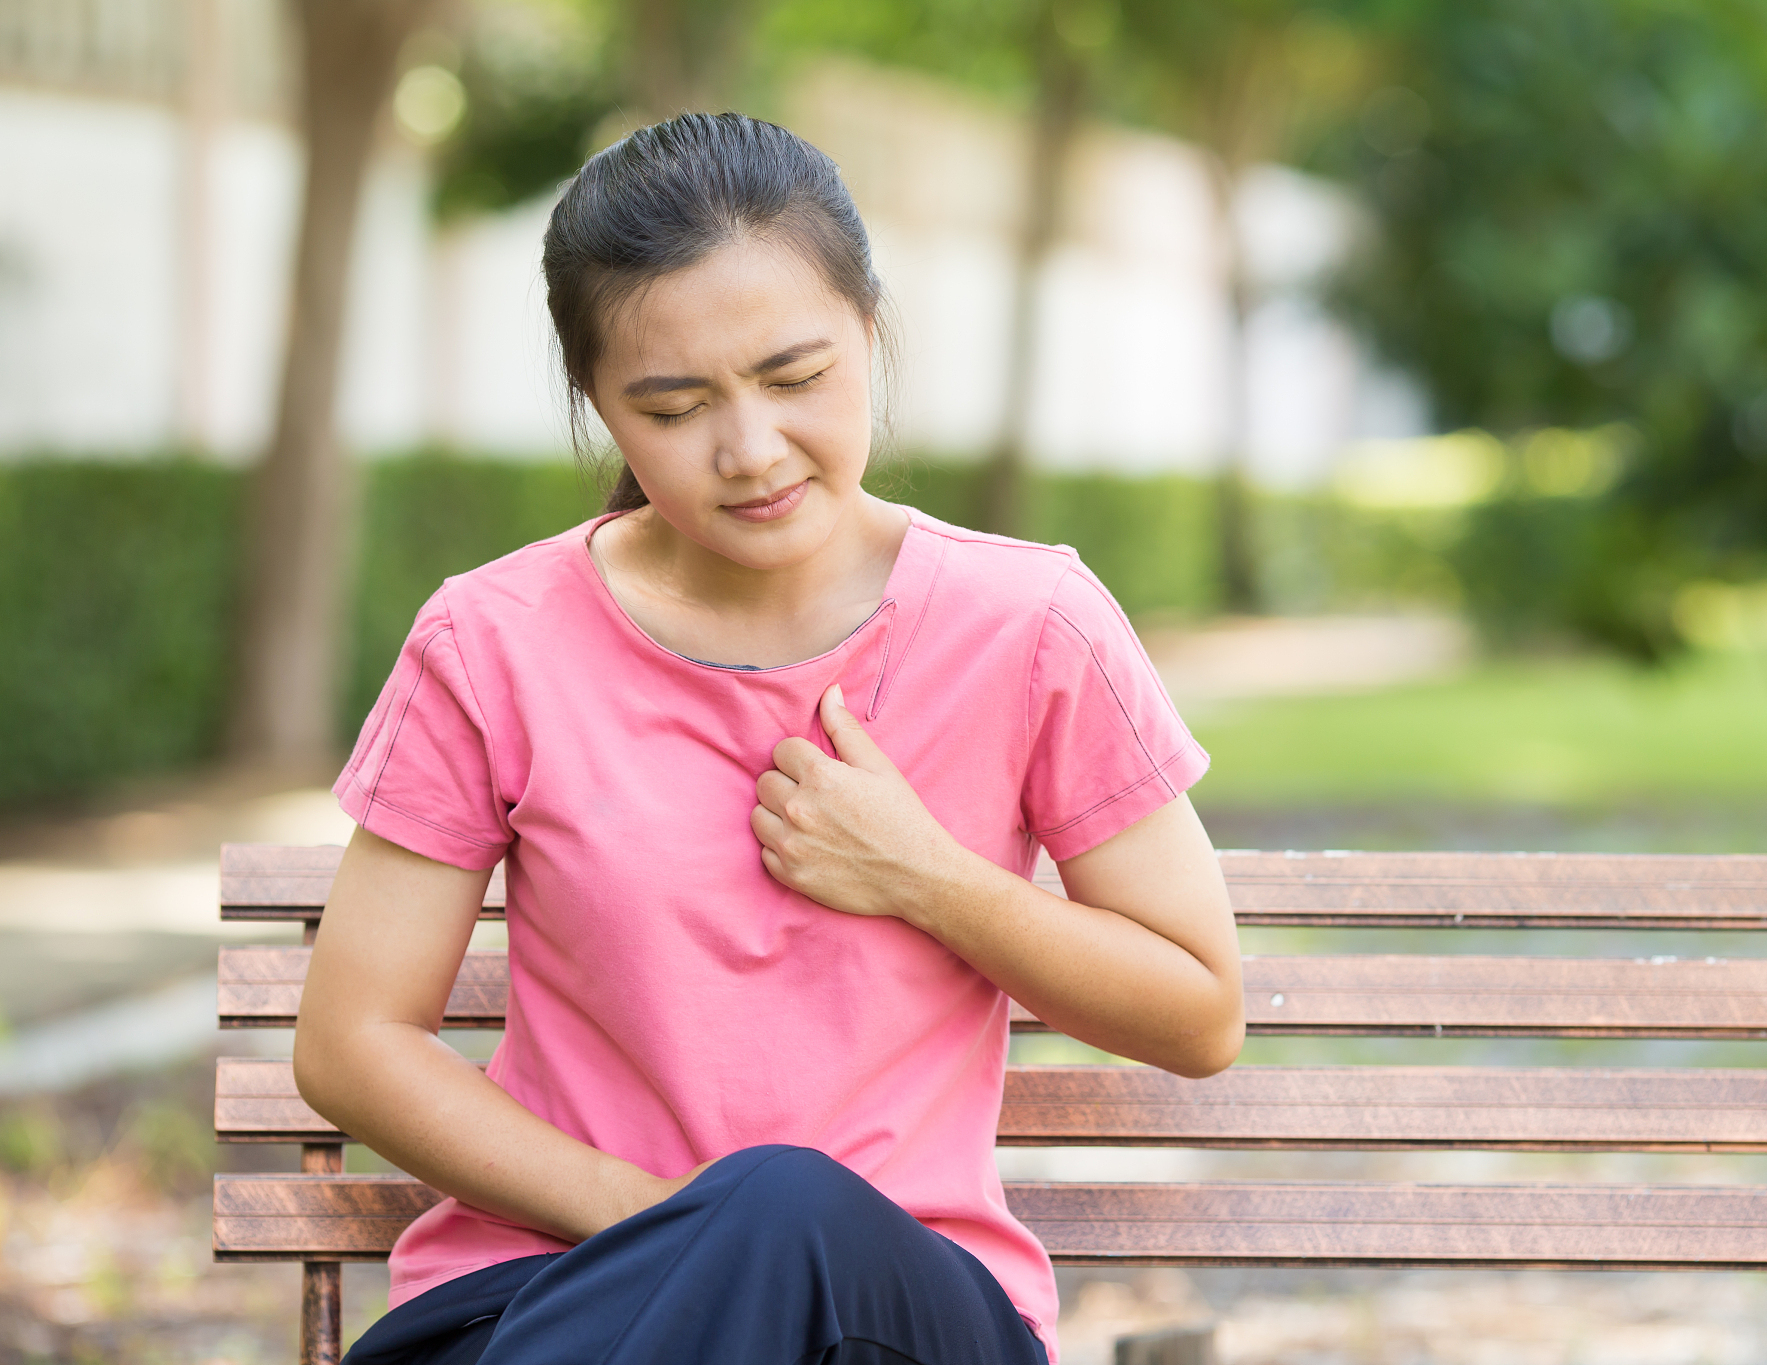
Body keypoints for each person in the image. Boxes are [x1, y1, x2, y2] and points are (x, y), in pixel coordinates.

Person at [296, 111, 1244, 1365]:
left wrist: (924, 875)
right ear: (599, 409)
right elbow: (353, 1043)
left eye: (794, 379)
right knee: (753, 1217)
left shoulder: (1029, 625)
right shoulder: (495, 642)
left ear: (870, 331)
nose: (749, 452)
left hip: (897, 1316)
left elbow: (1197, 1013)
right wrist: (670, 1232)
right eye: (675, 406)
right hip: (552, 1299)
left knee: (788, 1201)